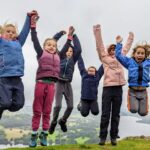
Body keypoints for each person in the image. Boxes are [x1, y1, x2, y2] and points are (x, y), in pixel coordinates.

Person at [93, 24, 134, 145]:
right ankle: (102, 137)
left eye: (114, 49)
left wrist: (130, 37)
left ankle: (114, 137)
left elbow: (126, 47)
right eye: (111, 49)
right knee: (105, 114)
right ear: (108, 50)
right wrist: (97, 30)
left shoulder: (120, 57)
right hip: (107, 89)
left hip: (118, 89)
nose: (112, 51)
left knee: (116, 114)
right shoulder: (104, 58)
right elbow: (100, 45)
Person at [29, 14, 65, 147]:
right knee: (37, 110)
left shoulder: (58, 56)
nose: (51, 47)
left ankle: (44, 134)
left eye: (54, 46)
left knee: (47, 111)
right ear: (44, 47)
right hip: (40, 83)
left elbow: (65, 47)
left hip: (52, 86)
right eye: (48, 45)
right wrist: (33, 26)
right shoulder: (41, 53)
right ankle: (33, 135)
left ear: (56, 49)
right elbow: (34, 40)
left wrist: (67, 37)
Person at [0, 10, 36, 120]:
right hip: (4, 78)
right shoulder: (1, 42)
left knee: (19, 104)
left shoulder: (18, 42)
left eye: (13, 32)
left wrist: (28, 17)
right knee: (5, 103)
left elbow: (25, 31)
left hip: (17, 79)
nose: (11, 33)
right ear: (2, 33)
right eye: (8, 31)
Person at [49, 26, 82, 134]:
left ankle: (62, 121)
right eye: (67, 51)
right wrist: (60, 34)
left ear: (73, 53)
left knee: (71, 106)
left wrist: (74, 35)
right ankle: (53, 123)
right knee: (58, 105)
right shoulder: (60, 56)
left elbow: (79, 48)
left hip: (68, 83)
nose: (69, 52)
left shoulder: (73, 59)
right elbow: (52, 42)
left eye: (71, 51)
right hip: (58, 82)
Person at [115, 35, 150, 117]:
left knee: (143, 113)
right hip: (133, 91)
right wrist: (119, 43)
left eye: (142, 53)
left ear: (145, 55)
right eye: (138, 53)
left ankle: (143, 106)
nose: (140, 55)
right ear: (134, 54)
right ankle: (130, 102)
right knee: (133, 110)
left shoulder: (148, 63)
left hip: (143, 91)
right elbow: (118, 56)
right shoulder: (129, 62)